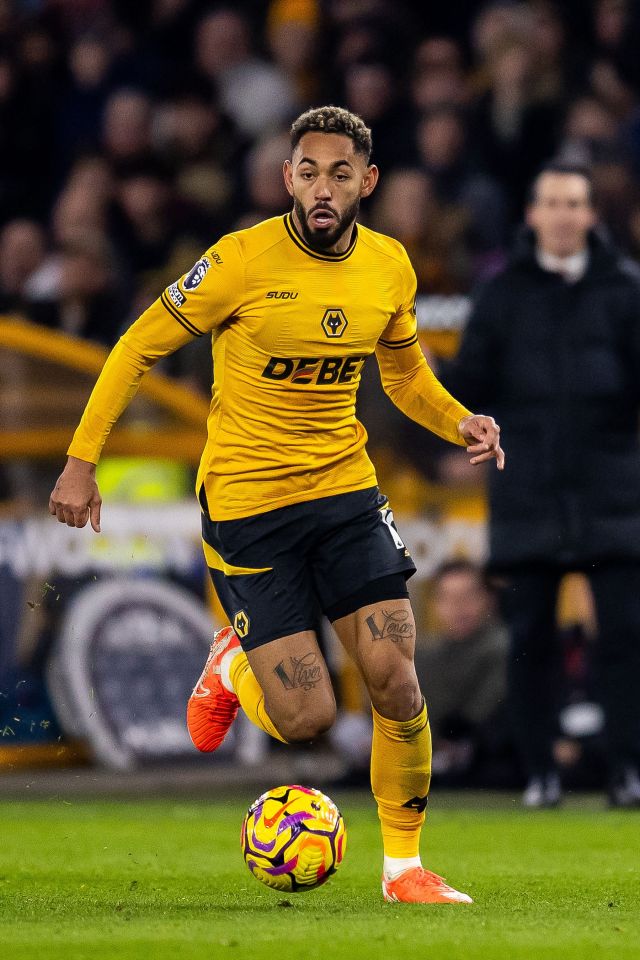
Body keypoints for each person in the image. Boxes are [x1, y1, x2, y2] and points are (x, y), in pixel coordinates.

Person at [49, 105, 504, 903]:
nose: (322, 187)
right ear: (286, 177)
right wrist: (81, 461)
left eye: (339, 173)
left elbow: (401, 375)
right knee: (307, 720)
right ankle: (231, 660)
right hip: (250, 509)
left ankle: (405, 871)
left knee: (397, 679)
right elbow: (136, 347)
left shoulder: (390, 266)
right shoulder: (240, 261)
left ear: (367, 182)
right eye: (307, 171)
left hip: (345, 496)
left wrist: (457, 417)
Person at [440, 161, 640, 808]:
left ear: (590, 215)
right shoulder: (501, 295)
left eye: (573, 202)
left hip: (613, 495)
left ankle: (625, 769)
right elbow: (467, 384)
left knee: (624, 639)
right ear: (531, 214)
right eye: (550, 201)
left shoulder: (625, 290)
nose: (561, 214)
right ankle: (539, 773)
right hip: (526, 492)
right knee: (529, 642)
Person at [415, 560, 512, 787]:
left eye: (468, 596)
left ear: (488, 599)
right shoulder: (424, 656)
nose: (458, 607)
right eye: (448, 598)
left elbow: (479, 714)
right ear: (435, 604)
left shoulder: (504, 648)